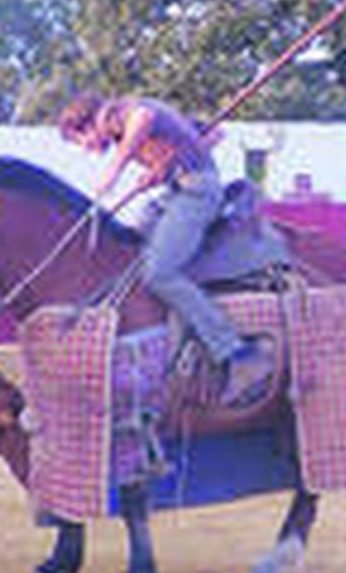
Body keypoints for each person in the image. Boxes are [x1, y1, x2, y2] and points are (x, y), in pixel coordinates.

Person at [58, 92, 273, 407]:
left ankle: (236, 353)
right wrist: (166, 164)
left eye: (84, 142)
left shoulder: (128, 112)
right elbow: (214, 134)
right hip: (176, 189)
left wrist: (114, 172)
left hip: (197, 192)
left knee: (159, 272)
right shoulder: (129, 124)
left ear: (90, 125)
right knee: (130, 240)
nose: (90, 151)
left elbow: (143, 118)